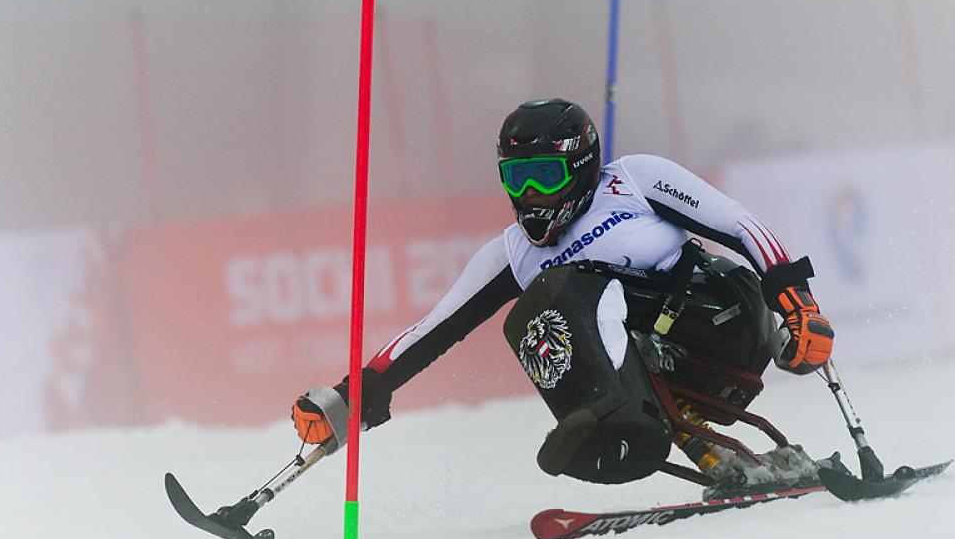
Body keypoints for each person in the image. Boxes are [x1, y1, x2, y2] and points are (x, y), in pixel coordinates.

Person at [291, 99, 834, 493]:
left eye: (545, 176)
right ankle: (644, 437)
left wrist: (798, 301)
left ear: (580, 166)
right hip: (651, 370)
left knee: (565, 285)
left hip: (723, 321)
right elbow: (432, 330)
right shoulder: (509, 254)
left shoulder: (635, 180)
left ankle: (622, 413)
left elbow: (740, 225)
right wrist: (350, 396)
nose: (530, 195)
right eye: (517, 178)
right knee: (537, 314)